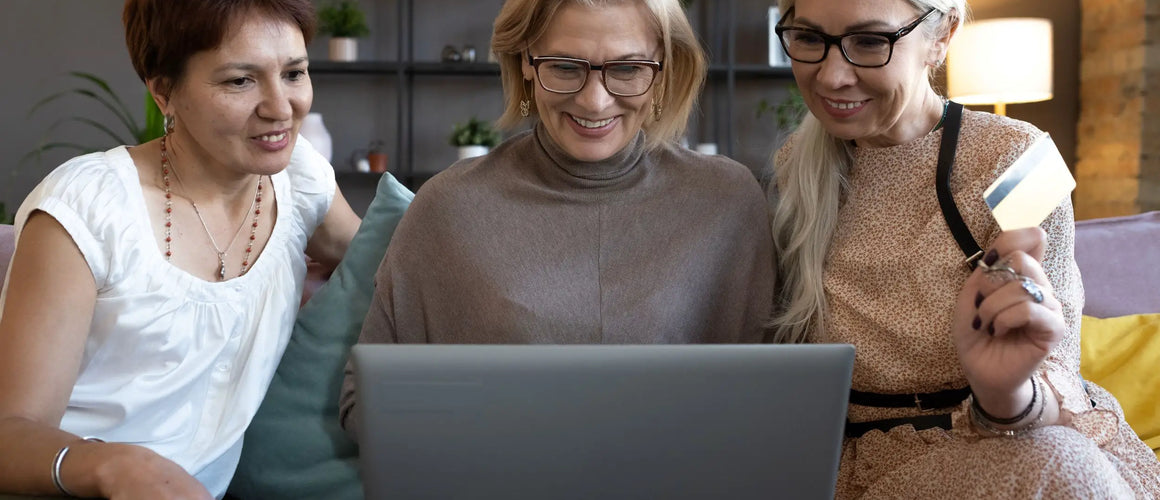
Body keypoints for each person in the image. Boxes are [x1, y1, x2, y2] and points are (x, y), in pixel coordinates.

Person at [767, 0, 1160, 497]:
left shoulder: (1020, 157)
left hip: (1010, 435)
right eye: (808, 39)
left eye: (869, 42)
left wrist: (1004, 394)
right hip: (863, 466)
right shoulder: (789, 171)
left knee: (1059, 462)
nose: (831, 76)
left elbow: (1056, 367)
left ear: (942, 36)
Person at [339, 0, 774, 437]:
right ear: (526, 61)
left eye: (627, 69)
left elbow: (770, 400)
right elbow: (366, 402)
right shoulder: (447, 206)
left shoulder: (728, 202)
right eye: (565, 67)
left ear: (662, 68)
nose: (595, 100)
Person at [0, 1, 362, 498]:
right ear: (164, 91)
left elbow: (392, 269)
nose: (281, 107)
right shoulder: (89, 207)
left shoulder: (299, 180)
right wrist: (110, 466)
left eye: (294, 73)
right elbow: (10, 431)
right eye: (240, 80)